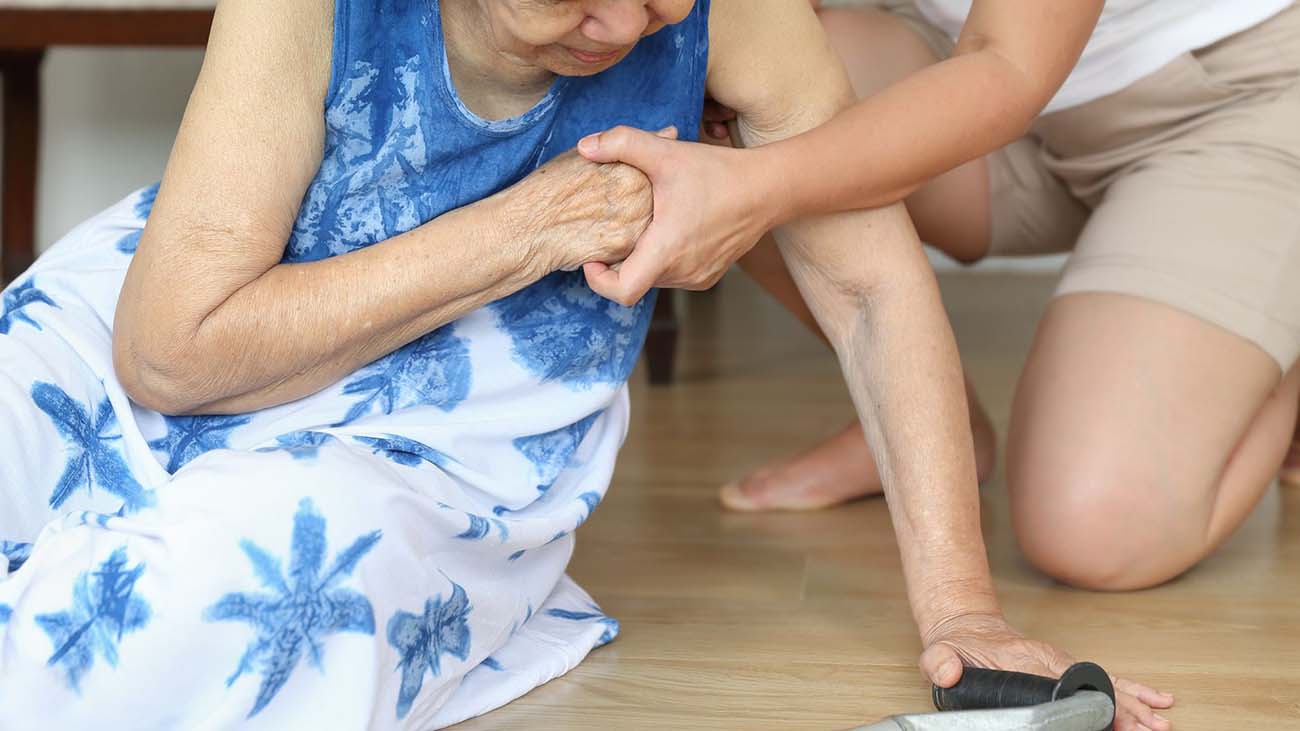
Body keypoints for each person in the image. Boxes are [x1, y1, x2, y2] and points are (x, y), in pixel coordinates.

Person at [0, 0, 1169, 728]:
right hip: (222, 310)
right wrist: (527, 226)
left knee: (190, 602)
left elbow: (867, 285)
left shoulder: (732, 13)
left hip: (441, 436)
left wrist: (964, 608)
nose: (618, 25)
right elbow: (170, 352)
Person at [577, 0, 1300, 597]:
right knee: (730, 80)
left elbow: (1009, 66)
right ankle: (927, 417)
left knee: (1091, 524)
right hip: (990, 88)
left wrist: (762, 187)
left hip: (1229, 96)